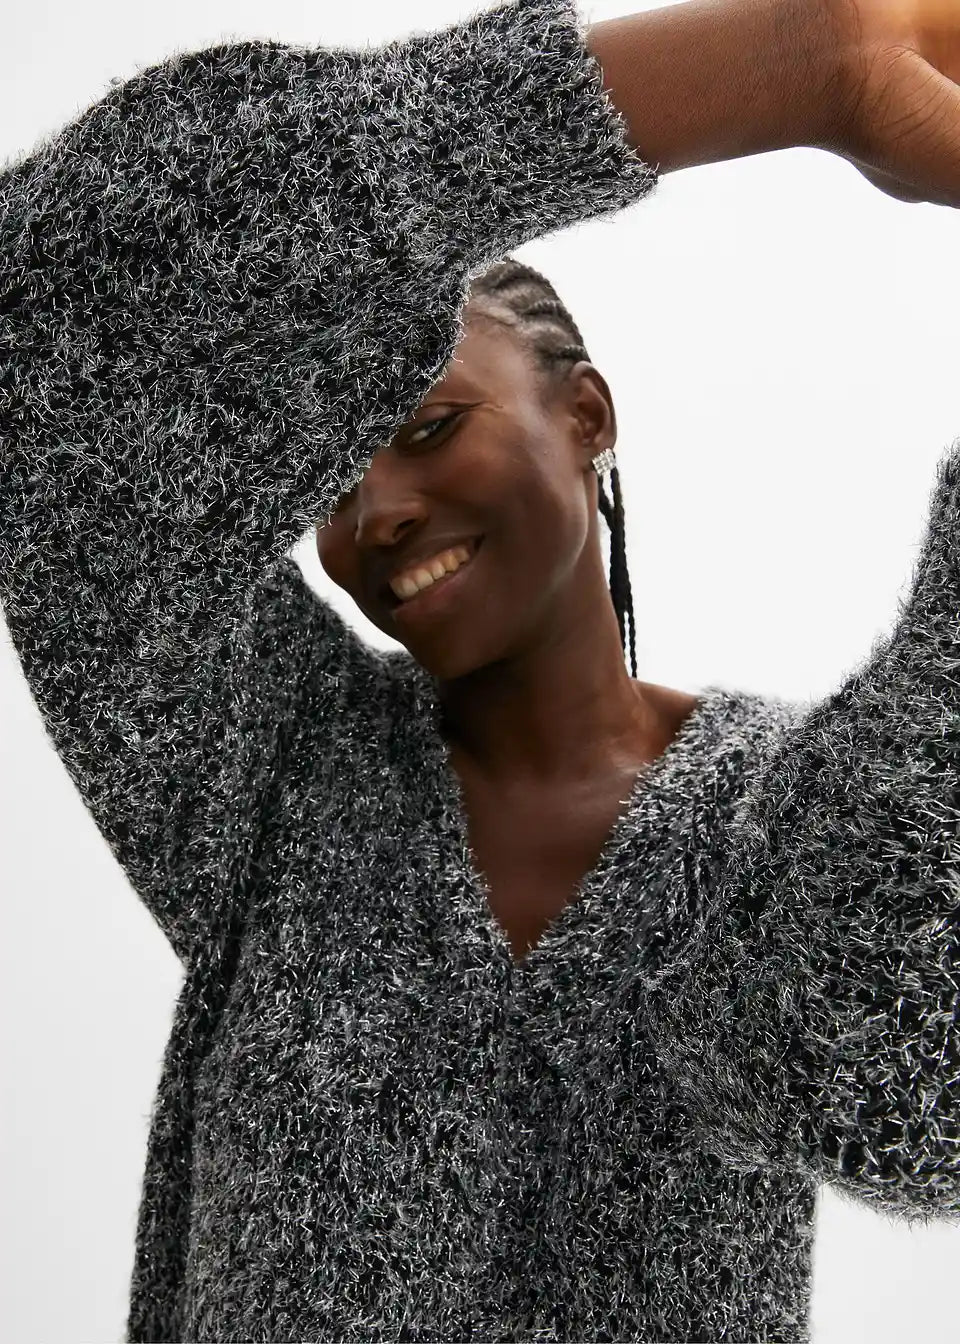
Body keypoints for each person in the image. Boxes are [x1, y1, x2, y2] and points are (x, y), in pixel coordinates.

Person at [1, 0, 959, 1340]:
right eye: (327, 480)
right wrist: (795, 64)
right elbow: (42, 314)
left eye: (428, 425)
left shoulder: (770, 829)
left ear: (587, 415)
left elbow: (911, 1089)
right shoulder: (268, 769)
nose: (377, 513)